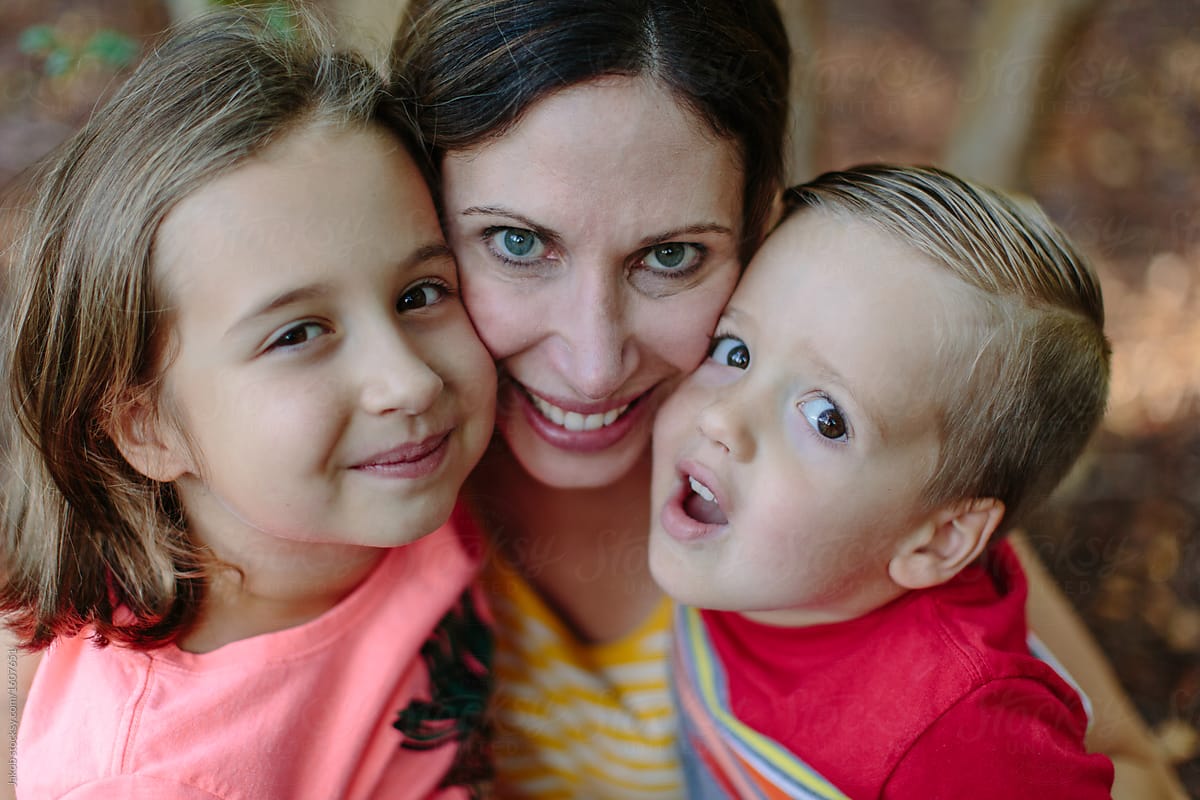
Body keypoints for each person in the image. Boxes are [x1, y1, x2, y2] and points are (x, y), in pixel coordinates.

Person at [395, 1, 1184, 797]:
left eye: (671, 255)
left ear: (759, 219)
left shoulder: (858, 526)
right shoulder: (363, 470)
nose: (594, 365)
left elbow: (1126, 770)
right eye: (518, 243)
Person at [1, 11, 495, 799]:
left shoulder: (406, 478)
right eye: (298, 333)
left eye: (420, 293)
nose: (409, 382)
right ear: (148, 428)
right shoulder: (157, 775)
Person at [650, 164, 1115, 798]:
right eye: (735, 351)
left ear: (939, 539)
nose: (721, 415)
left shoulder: (961, 736)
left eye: (826, 418)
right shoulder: (753, 550)